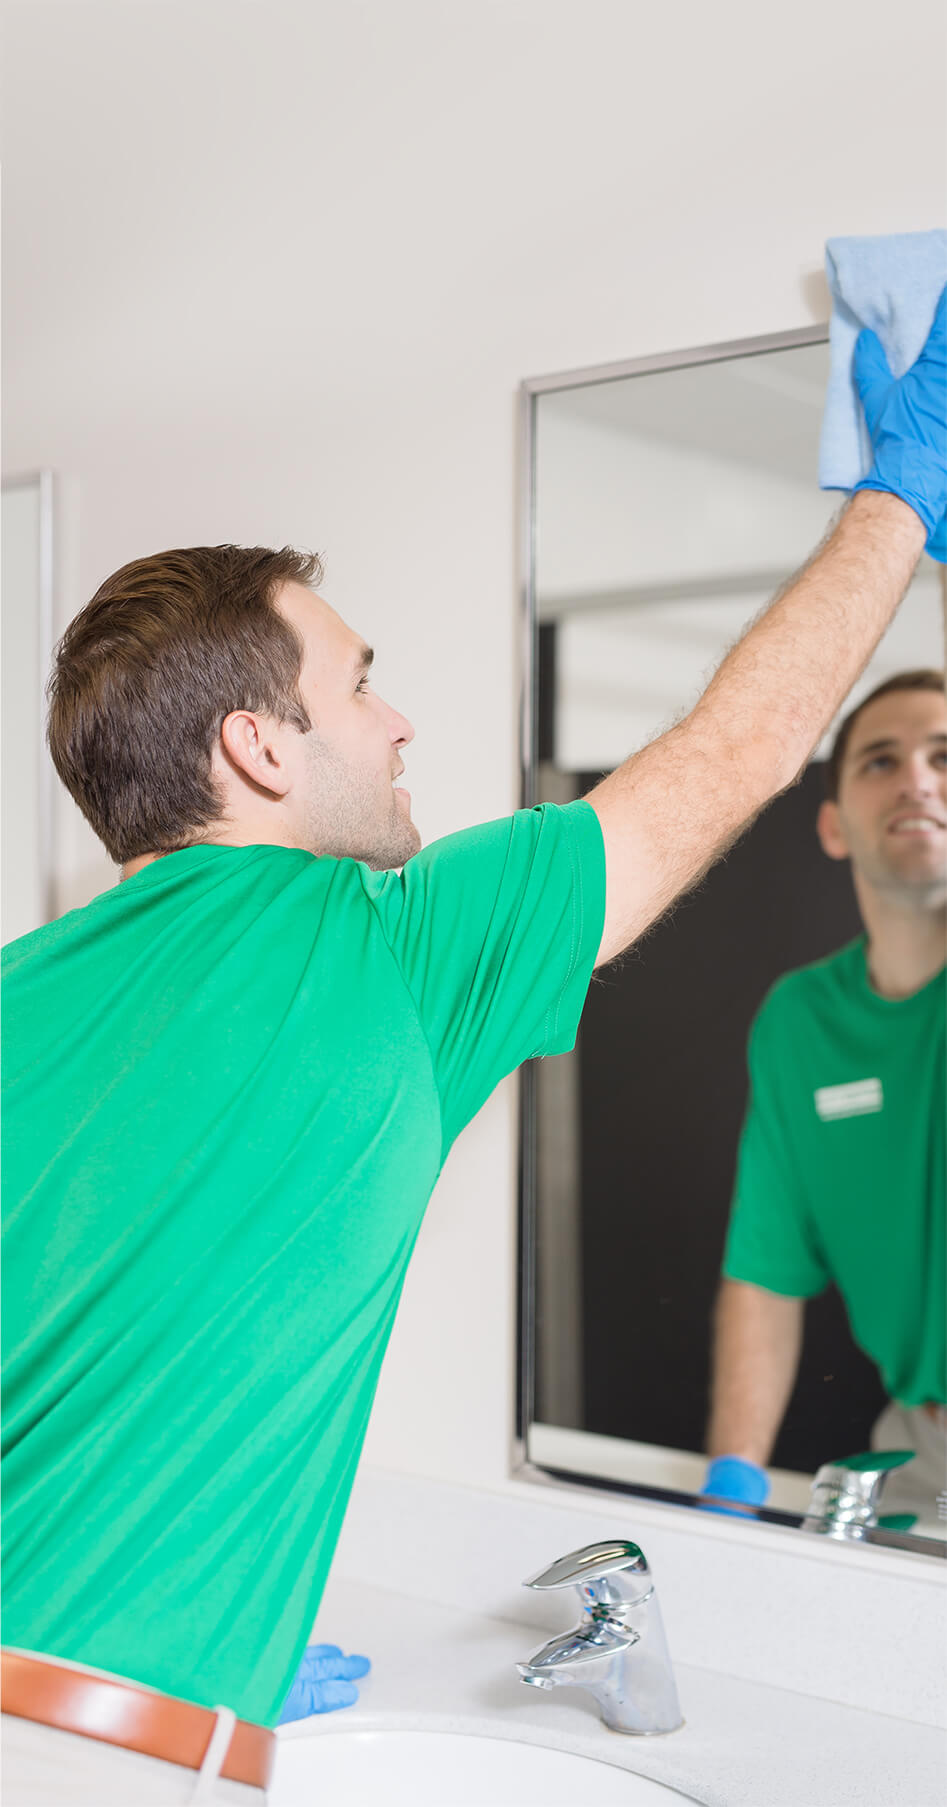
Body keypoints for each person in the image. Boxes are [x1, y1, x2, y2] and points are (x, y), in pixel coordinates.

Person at [2, 298, 945, 1803]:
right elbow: (735, 747)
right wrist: (897, 496)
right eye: (360, 680)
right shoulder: (381, 942)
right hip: (101, 1753)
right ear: (258, 745)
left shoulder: (19, 990)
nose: (398, 721)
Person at [704, 670, 946, 1525]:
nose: (918, 778)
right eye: (882, 760)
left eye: (944, 756)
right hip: (920, 1450)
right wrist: (733, 1477)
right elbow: (764, 1276)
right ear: (832, 825)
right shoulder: (799, 1023)